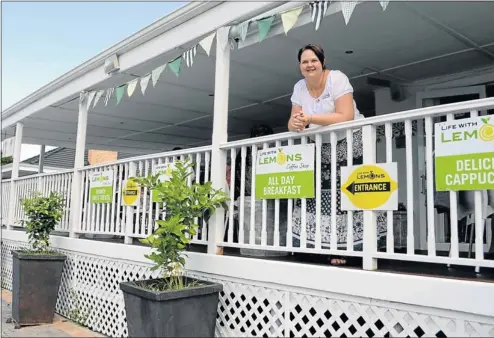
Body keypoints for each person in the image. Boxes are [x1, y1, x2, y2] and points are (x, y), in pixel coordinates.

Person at [287, 44, 387, 265]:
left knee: (350, 192)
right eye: (304, 62)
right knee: (322, 194)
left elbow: (346, 115)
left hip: (352, 141)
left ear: (322, 62)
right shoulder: (299, 88)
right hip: (321, 146)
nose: (309, 65)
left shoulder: (337, 79)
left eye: (313, 60)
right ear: (300, 66)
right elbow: (292, 122)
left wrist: (309, 119)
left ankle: (355, 247)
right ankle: (323, 246)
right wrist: (295, 123)